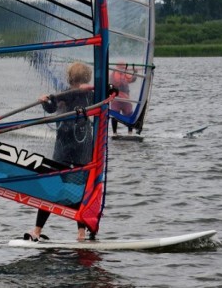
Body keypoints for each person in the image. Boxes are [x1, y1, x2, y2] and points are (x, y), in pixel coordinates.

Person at [26, 62, 94, 242]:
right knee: (74, 188)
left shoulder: (90, 94)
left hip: (78, 147)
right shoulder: (65, 93)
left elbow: (105, 97)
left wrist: (47, 103)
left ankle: (38, 231)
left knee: (56, 188)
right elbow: (52, 107)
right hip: (69, 146)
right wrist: (45, 101)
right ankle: (79, 233)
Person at [109, 62, 138, 135]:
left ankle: (130, 133)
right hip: (116, 100)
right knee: (115, 116)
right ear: (117, 67)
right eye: (121, 67)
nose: (123, 68)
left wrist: (135, 72)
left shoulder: (125, 74)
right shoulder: (113, 75)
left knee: (129, 114)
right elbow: (116, 82)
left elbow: (132, 79)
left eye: (124, 67)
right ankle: (114, 133)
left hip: (126, 100)